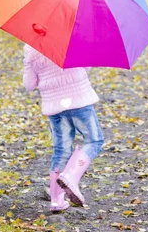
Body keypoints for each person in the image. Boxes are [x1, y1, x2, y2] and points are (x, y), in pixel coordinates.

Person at [23, 43, 104, 212]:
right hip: (79, 100)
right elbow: (86, 67)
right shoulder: (73, 37)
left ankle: (56, 201)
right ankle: (70, 176)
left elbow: (29, 85)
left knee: (61, 150)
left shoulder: (31, 47)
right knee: (94, 140)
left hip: (55, 105)